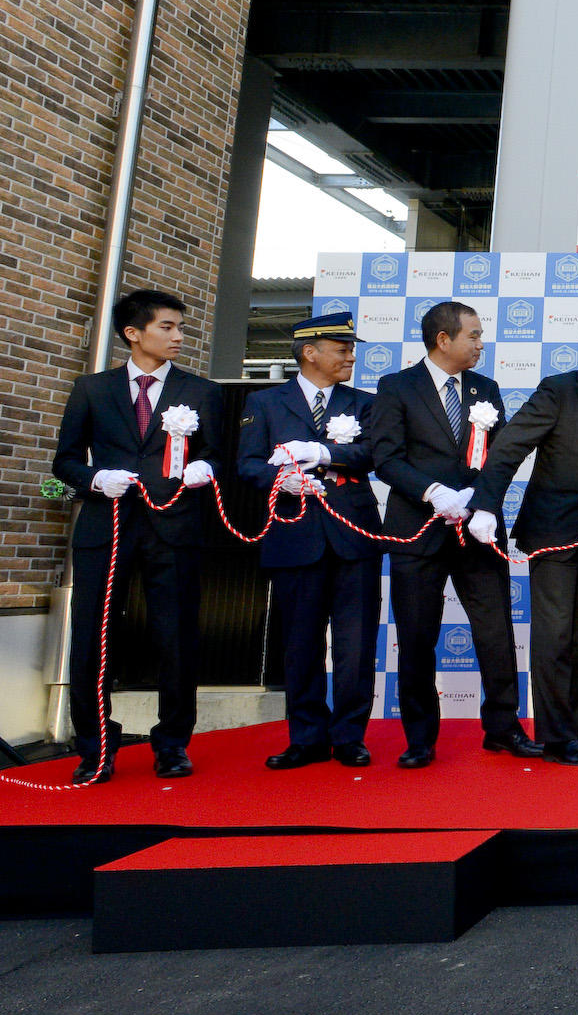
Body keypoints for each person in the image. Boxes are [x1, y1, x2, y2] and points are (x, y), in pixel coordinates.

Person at [50, 289, 224, 782]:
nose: (178, 336)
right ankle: (95, 747)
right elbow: (64, 460)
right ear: (133, 333)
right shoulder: (91, 388)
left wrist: (205, 468)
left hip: (174, 527)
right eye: (167, 326)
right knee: (92, 638)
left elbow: (216, 453)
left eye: (180, 327)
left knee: (177, 637)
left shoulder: (201, 391)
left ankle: (172, 744)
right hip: (106, 526)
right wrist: (94, 479)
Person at [467, 308, 578, 766]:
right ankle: (554, 737)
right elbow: (509, 448)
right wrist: (485, 504)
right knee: (555, 637)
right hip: (552, 533)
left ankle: (576, 732)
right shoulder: (558, 389)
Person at [365, 300, 537, 768]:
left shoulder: (486, 388)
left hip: (478, 531)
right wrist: (435, 493)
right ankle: (420, 738)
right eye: (473, 335)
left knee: (496, 632)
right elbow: (386, 458)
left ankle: (503, 728)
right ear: (444, 339)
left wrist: (482, 502)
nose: (481, 344)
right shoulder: (396, 386)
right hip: (417, 531)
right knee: (417, 636)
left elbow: (501, 456)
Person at [235, 312, 382, 769]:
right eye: (342, 349)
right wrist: (280, 479)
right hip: (293, 534)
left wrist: (324, 452)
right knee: (300, 644)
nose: (350, 357)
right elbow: (247, 463)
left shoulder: (365, 402)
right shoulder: (265, 402)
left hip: (353, 536)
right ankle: (307, 737)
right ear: (310, 352)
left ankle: (350, 736)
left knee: (356, 645)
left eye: (350, 349)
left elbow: (374, 453)